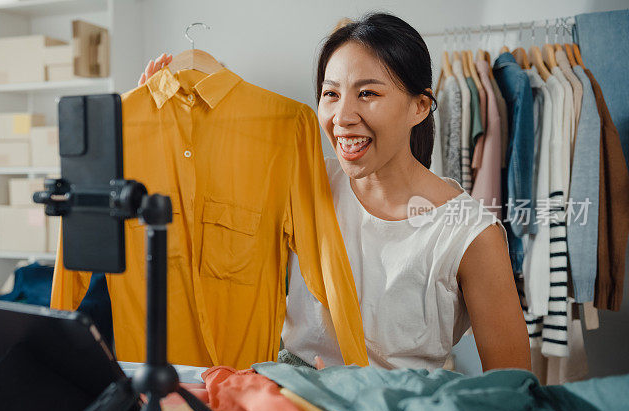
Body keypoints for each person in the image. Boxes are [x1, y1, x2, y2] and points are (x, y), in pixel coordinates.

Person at [139, 13, 530, 372]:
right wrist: (158, 127)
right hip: (289, 398)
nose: (342, 118)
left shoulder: (470, 233)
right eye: (331, 94)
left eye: (367, 94)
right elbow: (195, 220)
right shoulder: (301, 183)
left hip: (399, 410)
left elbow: (514, 387)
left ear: (420, 107)